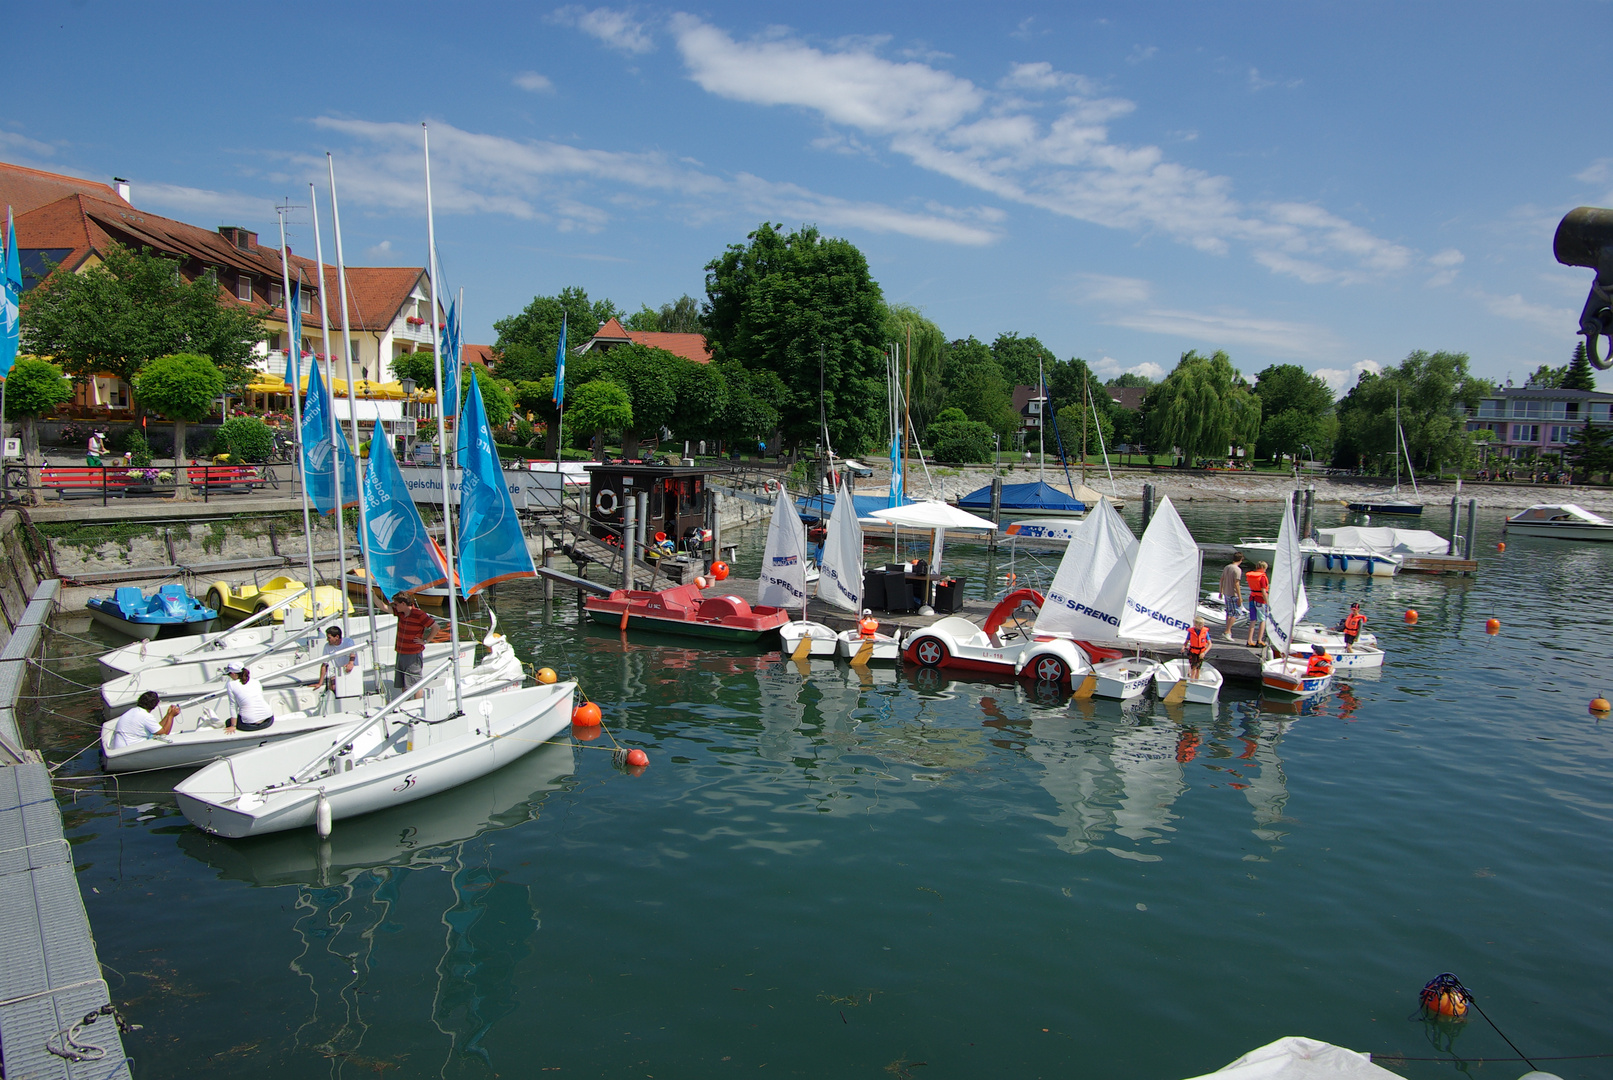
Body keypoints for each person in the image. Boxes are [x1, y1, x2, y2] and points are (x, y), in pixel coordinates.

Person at [390, 596, 442, 693]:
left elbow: (436, 627)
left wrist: (425, 641)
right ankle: (406, 703)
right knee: (404, 683)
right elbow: (384, 608)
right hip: (401, 652)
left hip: (412, 654)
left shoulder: (418, 614)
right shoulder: (401, 613)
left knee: (414, 683)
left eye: (395, 604)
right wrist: (373, 596)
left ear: (403, 604)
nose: (394, 606)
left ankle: (416, 703)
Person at [108, 690, 180, 749]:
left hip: (120, 747)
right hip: (129, 748)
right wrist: (171, 716)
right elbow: (164, 733)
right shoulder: (146, 716)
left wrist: (168, 715)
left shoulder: (133, 711)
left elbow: (157, 730)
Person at [224, 661, 274, 733]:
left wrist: (233, 726)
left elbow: (233, 706)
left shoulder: (231, 685)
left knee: (228, 722)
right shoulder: (256, 681)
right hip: (269, 719)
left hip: (249, 724)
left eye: (229, 674)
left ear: (233, 674)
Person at [311, 624, 359, 691]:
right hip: (339, 671)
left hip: (352, 670)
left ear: (336, 637)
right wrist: (320, 683)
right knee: (333, 686)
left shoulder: (348, 641)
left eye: (329, 637)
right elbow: (324, 665)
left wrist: (351, 663)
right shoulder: (327, 646)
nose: (327, 640)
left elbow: (352, 653)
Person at [1244, 560, 1270, 649]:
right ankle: (1259, 640)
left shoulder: (1252, 576)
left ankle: (1249, 640)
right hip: (1260, 600)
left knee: (1253, 620)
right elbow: (1263, 591)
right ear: (1263, 568)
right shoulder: (1262, 577)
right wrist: (1267, 602)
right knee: (1262, 620)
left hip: (1252, 598)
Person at [1218, 553, 1244, 641]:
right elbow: (1236, 584)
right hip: (1233, 594)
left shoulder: (1227, 567)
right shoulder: (1237, 570)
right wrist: (1240, 597)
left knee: (1229, 613)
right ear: (1241, 559)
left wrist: (1221, 591)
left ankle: (1228, 632)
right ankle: (1227, 631)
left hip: (1226, 592)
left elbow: (1221, 579)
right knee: (1236, 613)